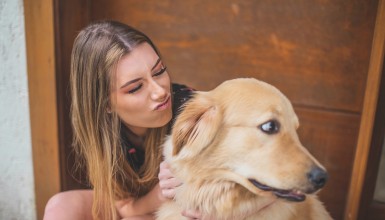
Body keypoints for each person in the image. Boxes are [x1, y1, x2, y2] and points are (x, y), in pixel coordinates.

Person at [43, 20, 275, 220]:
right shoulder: (103, 132)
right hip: (144, 204)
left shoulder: (193, 112)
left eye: (159, 71)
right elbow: (122, 205)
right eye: (135, 88)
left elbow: (276, 183)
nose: (160, 91)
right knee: (59, 206)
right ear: (105, 105)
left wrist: (222, 211)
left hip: (184, 213)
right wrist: (158, 195)